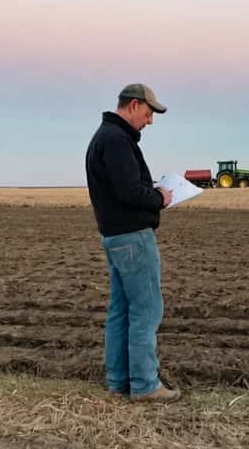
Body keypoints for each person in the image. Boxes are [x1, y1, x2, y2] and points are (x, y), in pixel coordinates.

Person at [85, 83, 181, 403]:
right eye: (149, 113)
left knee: (121, 310)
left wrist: (146, 189)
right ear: (134, 105)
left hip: (114, 236)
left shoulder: (105, 136)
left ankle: (118, 381)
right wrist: (159, 196)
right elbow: (128, 192)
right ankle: (144, 385)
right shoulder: (116, 140)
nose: (150, 121)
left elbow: (121, 187)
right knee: (146, 310)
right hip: (132, 238)